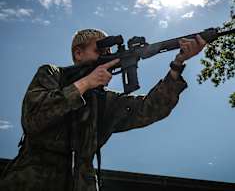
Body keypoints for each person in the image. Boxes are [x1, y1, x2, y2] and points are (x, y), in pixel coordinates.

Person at [0, 29, 206, 191]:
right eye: (100, 52)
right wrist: (85, 83)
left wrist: (178, 64)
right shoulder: (53, 75)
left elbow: (149, 109)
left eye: (109, 53)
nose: (107, 57)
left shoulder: (105, 101)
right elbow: (34, 118)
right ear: (78, 53)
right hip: (30, 181)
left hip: (82, 183)